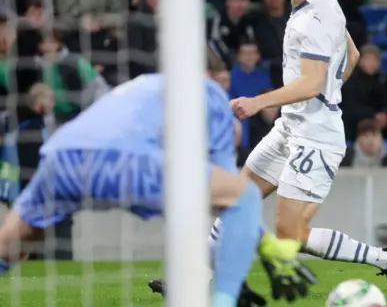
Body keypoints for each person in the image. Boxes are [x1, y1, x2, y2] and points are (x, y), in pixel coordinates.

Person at [0, 52, 315, 307]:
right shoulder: (207, 94)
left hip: (61, 155)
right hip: (124, 160)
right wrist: (265, 246)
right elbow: (227, 195)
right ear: (209, 76)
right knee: (244, 196)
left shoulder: (140, 85)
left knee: (14, 242)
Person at [225, 0, 387, 299]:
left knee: (290, 234)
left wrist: (258, 102)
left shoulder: (316, 19)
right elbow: (352, 56)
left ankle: (385, 259)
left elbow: (311, 83)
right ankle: (202, 282)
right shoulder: (319, 4)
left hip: (314, 136)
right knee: (238, 198)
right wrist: (328, 93)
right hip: (292, 125)